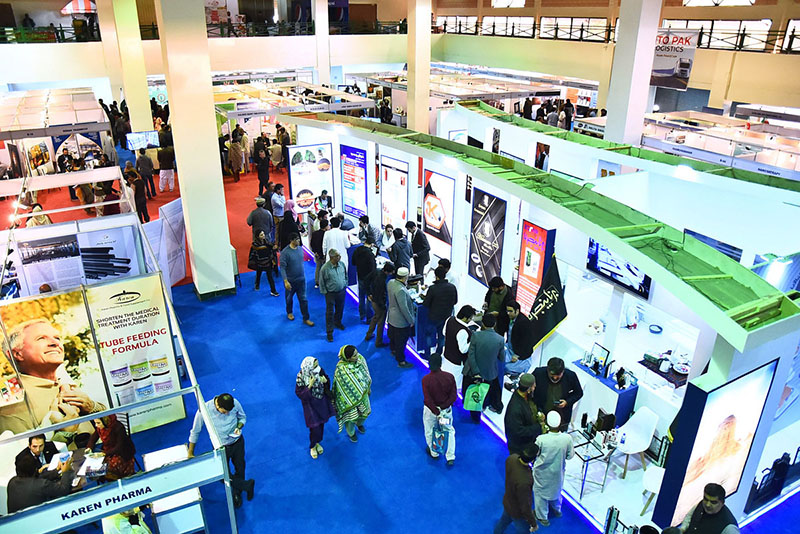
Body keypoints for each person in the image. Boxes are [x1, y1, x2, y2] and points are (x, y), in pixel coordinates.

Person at [0, 319, 106, 434]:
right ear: (17, 354)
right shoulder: (9, 401)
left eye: (57, 338)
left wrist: (93, 407)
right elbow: (21, 451)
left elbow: (115, 428)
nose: (55, 343)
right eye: (41, 338)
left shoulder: (68, 385)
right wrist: (64, 433)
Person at [188, 393, 255, 508]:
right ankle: (246, 485)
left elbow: (242, 417)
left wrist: (238, 427)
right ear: (217, 405)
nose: (228, 414)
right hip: (221, 447)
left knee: (240, 467)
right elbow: (195, 431)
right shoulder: (204, 411)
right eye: (224, 412)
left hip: (237, 442)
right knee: (223, 474)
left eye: (229, 411)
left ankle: (237, 493)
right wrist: (190, 452)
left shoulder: (235, 403)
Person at [533, 411, 574, 527]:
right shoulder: (567, 438)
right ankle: (557, 510)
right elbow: (570, 456)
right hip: (558, 472)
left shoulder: (541, 439)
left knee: (540, 495)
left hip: (542, 473)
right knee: (556, 491)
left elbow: (535, 454)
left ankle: (542, 517)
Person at [7, 452, 75, 514]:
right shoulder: (41, 485)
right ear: (35, 469)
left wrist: (57, 470)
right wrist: (66, 471)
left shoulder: (12, 482)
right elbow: (63, 490)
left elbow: (38, 477)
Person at [464, 314, 505, 418]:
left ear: (483, 323)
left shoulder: (476, 336)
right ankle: (491, 405)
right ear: (494, 324)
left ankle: (475, 414)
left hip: (474, 372)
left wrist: (476, 371)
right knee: (490, 390)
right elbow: (501, 358)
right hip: (490, 372)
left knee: (475, 393)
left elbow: (471, 355)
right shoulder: (500, 339)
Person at [295, 357, 335, 459]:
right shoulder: (301, 377)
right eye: (315, 365)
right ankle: (312, 446)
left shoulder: (319, 370)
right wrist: (310, 386)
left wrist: (325, 381)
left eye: (317, 364)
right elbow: (300, 394)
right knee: (314, 427)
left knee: (321, 424)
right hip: (310, 406)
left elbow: (326, 381)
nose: (317, 367)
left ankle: (317, 442)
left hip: (321, 401)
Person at [493, 446, 539, 534]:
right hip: (517, 511)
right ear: (532, 460)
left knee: (503, 521)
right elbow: (525, 505)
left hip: (508, 500)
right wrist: (533, 523)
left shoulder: (512, 458)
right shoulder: (525, 480)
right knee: (523, 531)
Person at [422, 353, 457, 466]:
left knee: (430, 429)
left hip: (431, 412)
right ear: (440, 364)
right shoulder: (449, 377)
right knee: (449, 430)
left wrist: (436, 411)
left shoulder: (426, 380)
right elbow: (453, 397)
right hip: (445, 411)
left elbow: (427, 399)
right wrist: (442, 408)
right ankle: (450, 456)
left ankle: (434, 452)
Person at [332, 345, 372, 443]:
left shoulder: (360, 359)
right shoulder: (341, 370)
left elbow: (366, 374)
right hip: (349, 401)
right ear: (348, 358)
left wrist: (368, 387)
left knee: (365, 412)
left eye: (357, 353)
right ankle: (351, 433)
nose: (357, 356)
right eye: (354, 355)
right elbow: (342, 388)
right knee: (351, 418)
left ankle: (360, 424)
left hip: (363, 396)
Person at [532, 357, 583, 431]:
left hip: (562, 417)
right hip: (542, 414)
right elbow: (530, 391)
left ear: (563, 371)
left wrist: (567, 402)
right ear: (547, 370)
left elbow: (579, 393)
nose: (555, 378)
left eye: (558, 375)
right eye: (552, 375)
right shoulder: (538, 373)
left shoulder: (571, 376)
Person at [422, 266, 458, 358]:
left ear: (436, 276)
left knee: (429, 335)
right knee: (442, 335)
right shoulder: (452, 287)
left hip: (433, 317)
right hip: (446, 316)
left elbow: (426, 304)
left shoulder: (433, 288)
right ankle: (438, 353)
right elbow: (455, 301)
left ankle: (427, 354)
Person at [86, 414, 137, 481]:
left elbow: (119, 447)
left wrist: (103, 454)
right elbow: (93, 439)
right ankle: (108, 478)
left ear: (105, 421)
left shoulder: (119, 427)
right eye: (95, 423)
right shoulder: (100, 428)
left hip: (123, 453)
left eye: (98, 423)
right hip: (108, 451)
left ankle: (117, 480)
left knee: (107, 468)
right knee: (92, 467)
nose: (96, 425)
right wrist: (89, 448)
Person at [280, 233, 314, 326]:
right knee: (289, 298)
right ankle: (289, 312)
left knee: (304, 299)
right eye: (297, 239)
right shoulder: (285, 253)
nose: (299, 241)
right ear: (291, 240)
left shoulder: (300, 249)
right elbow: (282, 268)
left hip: (301, 280)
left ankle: (306, 318)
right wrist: (285, 281)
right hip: (290, 281)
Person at [504, 374, 543, 456]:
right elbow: (518, 432)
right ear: (528, 389)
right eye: (533, 386)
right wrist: (539, 427)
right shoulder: (515, 408)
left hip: (527, 440)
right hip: (519, 447)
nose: (535, 387)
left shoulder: (526, 396)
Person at [386, 267, 416, 368]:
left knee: (393, 337)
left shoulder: (391, 282)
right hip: (400, 321)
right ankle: (401, 360)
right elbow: (404, 308)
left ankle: (393, 351)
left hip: (391, 317)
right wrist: (411, 320)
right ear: (405, 277)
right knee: (401, 341)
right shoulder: (401, 290)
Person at [442, 305, 475, 391]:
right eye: (470, 318)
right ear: (465, 318)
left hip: (446, 356)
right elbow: (463, 350)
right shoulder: (463, 331)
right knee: (453, 385)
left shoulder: (450, 319)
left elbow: (444, 333)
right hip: (456, 362)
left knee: (444, 380)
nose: (470, 320)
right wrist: (472, 341)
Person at [319, 249, 348, 343]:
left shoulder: (342, 265)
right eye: (337, 256)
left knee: (340, 308)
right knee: (330, 312)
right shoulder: (325, 268)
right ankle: (329, 332)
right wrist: (325, 292)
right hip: (330, 293)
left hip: (341, 291)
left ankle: (338, 322)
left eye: (339, 255)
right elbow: (322, 282)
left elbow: (346, 275)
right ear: (331, 257)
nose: (339, 257)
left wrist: (345, 284)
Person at [365, 261, 394, 348]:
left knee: (375, 317)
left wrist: (368, 293)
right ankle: (378, 341)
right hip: (379, 302)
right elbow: (380, 295)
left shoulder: (376, 271)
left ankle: (369, 334)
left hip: (373, 300)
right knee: (381, 322)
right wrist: (383, 306)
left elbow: (366, 280)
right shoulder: (382, 281)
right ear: (387, 272)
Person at [505, 302, 535, 377]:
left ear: (517, 311)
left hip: (521, 356)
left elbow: (527, 342)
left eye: (510, 311)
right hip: (510, 349)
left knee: (506, 367)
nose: (508, 313)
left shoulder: (523, 323)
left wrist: (518, 355)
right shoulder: (511, 318)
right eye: (507, 311)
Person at [352, 237, 377, 322]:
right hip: (369, 279)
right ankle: (369, 318)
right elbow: (373, 268)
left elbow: (353, 262)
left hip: (360, 276)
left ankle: (362, 314)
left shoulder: (357, 250)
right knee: (369, 298)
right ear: (372, 244)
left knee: (361, 297)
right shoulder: (370, 254)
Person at [248, 230, 278, 295]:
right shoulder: (255, 245)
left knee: (270, 277)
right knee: (259, 274)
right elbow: (253, 255)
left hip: (267, 263)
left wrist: (274, 248)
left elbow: (271, 248)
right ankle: (257, 284)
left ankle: (273, 290)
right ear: (257, 236)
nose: (263, 235)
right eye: (261, 235)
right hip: (259, 263)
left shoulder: (266, 242)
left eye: (263, 234)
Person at [310, 217, 328, 288]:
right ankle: (324, 282)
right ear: (326, 226)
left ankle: (317, 282)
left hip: (317, 254)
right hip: (323, 254)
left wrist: (315, 252)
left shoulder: (315, 233)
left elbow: (312, 244)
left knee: (318, 267)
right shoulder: (326, 234)